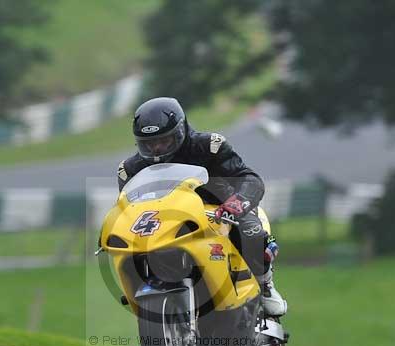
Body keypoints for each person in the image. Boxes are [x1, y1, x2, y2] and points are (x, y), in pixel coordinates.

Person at [117, 97, 287, 317]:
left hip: (219, 208)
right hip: (168, 219)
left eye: (164, 141)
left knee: (252, 232)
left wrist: (236, 203)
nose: (156, 148)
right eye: (149, 144)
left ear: (180, 131)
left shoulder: (209, 146)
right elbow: (126, 206)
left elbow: (249, 178)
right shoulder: (130, 169)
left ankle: (265, 285)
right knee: (130, 249)